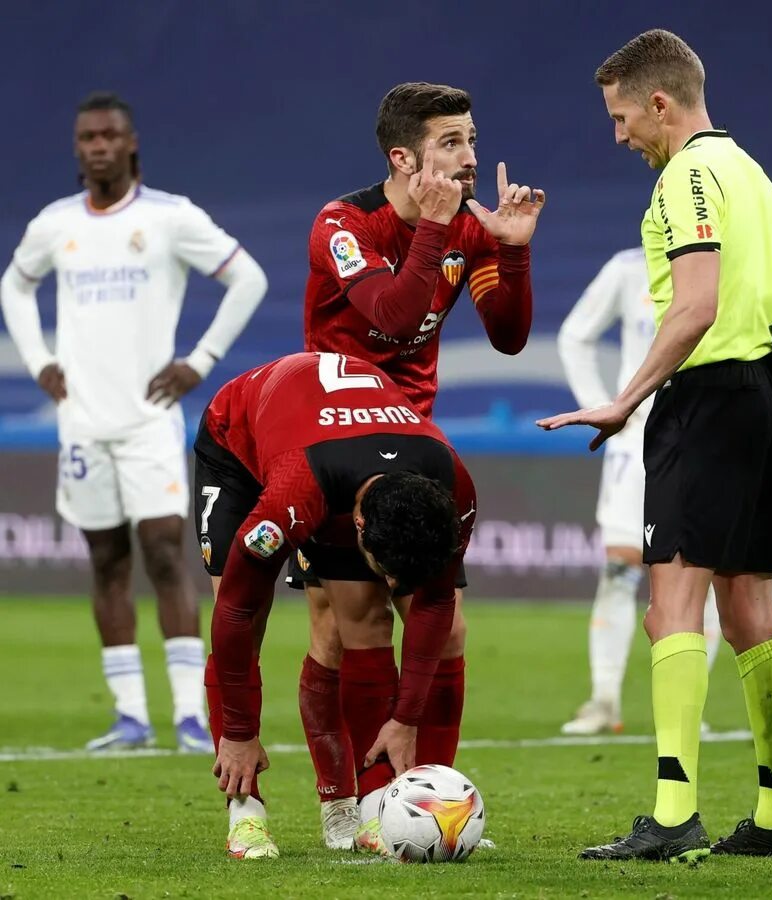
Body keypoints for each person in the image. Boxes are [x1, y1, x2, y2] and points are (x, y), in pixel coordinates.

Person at [539, 29, 772, 861]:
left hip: (708, 395)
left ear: (660, 103)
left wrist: (626, 400)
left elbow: (692, 307)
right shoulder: (756, 177)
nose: (619, 135)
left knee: (670, 606)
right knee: (749, 607)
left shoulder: (688, 176)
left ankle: (671, 813)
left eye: (622, 117)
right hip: (767, 392)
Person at [289, 81, 544, 850]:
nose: (470, 159)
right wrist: (439, 231)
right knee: (351, 624)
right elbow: (396, 314)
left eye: (470, 140)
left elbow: (507, 335)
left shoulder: (466, 225)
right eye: (451, 144)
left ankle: (431, 805)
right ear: (402, 157)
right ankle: (365, 808)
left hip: (413, 441)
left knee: (448, 628)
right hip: (334, 441)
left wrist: (513, 248)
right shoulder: (342, 225)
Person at [0, 91, 267, 753]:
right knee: (106, 562)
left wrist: (199, 361)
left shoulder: (170, 218)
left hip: (149, 421)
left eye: (109, 136)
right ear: (77, 148)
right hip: (83, 425)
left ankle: (189, 716)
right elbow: (14, 284)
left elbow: (249, 279)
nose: (97, 146)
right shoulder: (56, 223)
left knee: (166, 556)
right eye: (87, 136)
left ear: (131, 144)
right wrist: (40, 361)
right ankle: (129, 717)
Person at [195, 351, 476, 859]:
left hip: (339, 446)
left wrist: (406, 716)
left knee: (368, 619)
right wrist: (239, 733)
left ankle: (384, 808)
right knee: (246, 616)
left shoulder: (452, 484)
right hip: (239, 440)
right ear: (359, 528)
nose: (389, 583)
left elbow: (435, 599)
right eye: (385, 568)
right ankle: (246, 814)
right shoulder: (294, 495)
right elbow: (235, 609)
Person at [557, 247, 720, 736]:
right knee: (621, 564)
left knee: (703, 568)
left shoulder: (728, 262)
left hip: (709, 437)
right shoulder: (629, 267)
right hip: (639, 439)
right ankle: (604, 699)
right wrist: (604, 407)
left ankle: (688, 707)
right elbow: (575, 335)